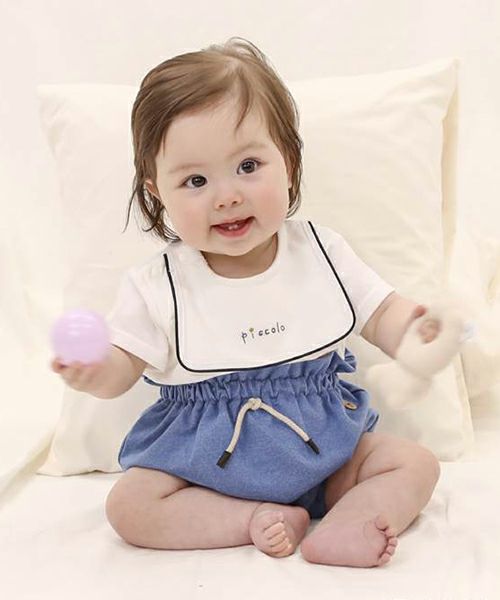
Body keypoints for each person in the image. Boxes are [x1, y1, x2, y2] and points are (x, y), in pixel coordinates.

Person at [51, 37, 443, 568]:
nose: (227, 195)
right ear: (157, 192)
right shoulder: (158, 284)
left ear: (289, 162)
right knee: (130, 505)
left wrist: (417, 330)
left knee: (413, 463)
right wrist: (94, 369)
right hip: (205, 468)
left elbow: (381, 313)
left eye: (249, 166)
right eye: (195, 180)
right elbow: (122, 368)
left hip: (325, 450)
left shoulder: (321, 252)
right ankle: (252, 518)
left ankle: (349, 522)